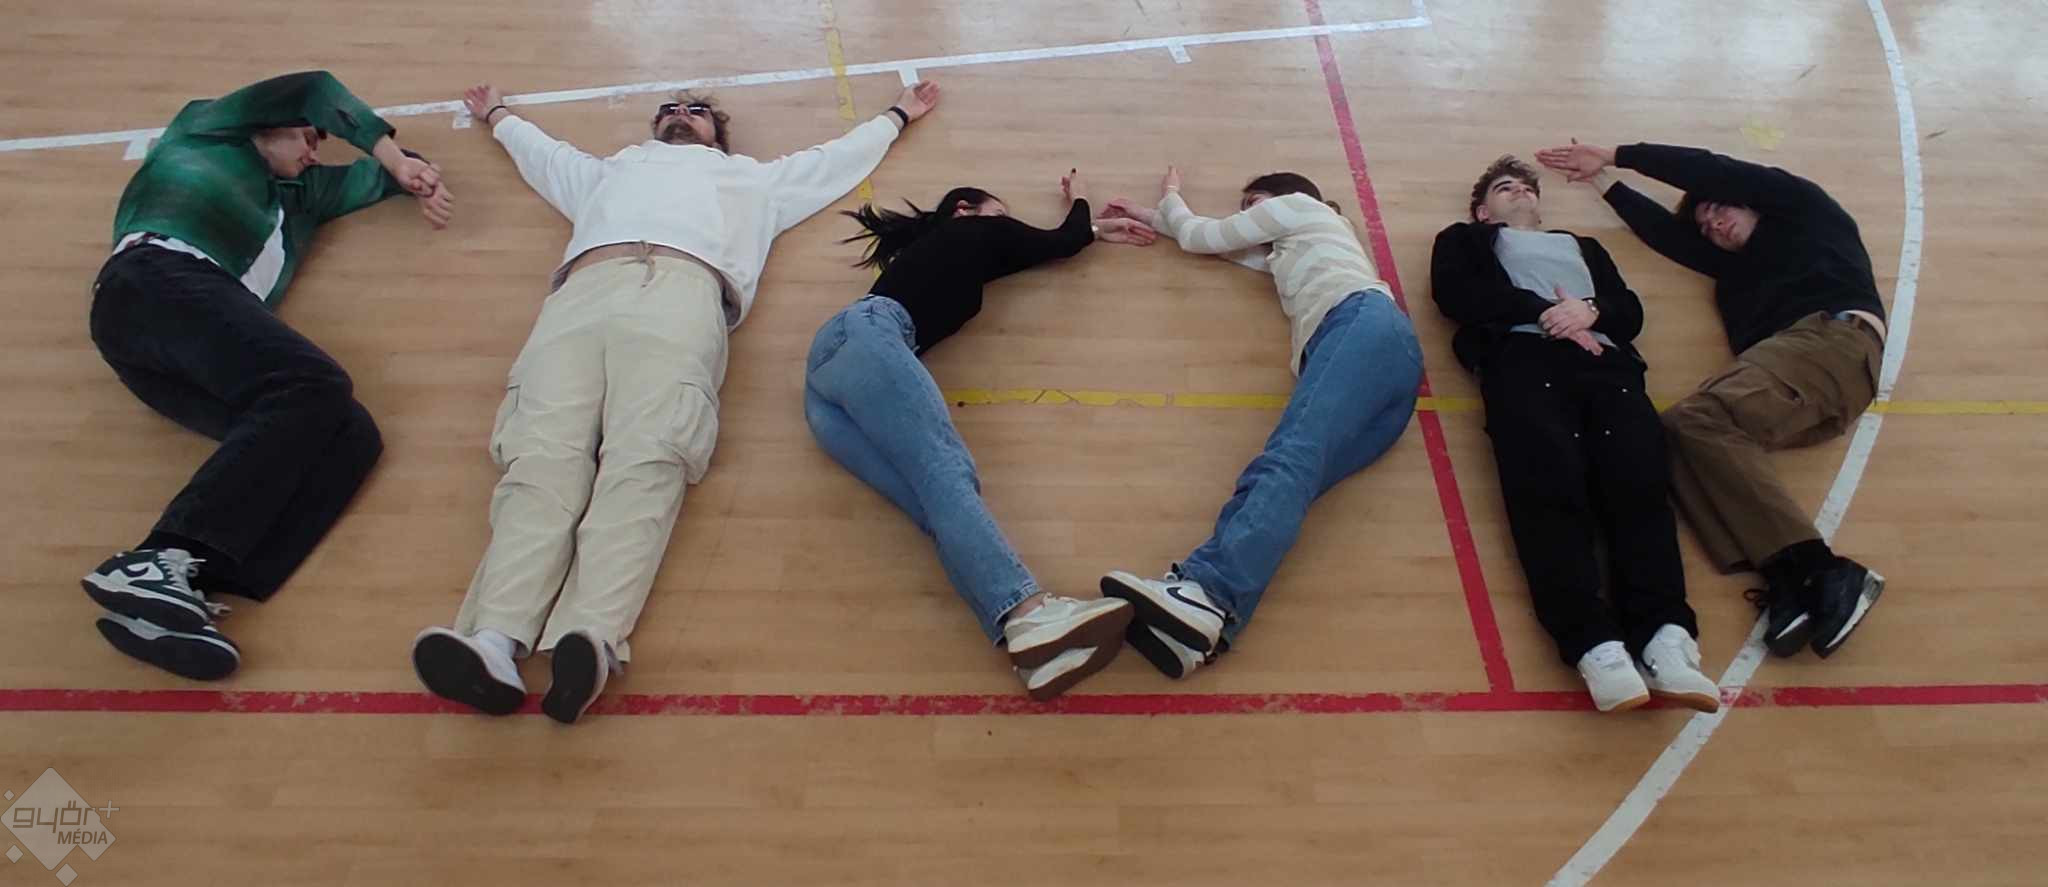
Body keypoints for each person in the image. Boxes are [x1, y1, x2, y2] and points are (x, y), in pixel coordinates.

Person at [412, 80, 940, 724]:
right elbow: (545, 156)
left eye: (695, 111)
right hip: (580, 297)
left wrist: (897, 114)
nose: (680, 115)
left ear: (718, 133)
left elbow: (835, 160)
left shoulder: (754, 181)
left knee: (648, 457)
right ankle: (494, 644)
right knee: (539, 460)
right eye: (670, 109)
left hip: (685, 297)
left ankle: (592, 635)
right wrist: (496, 115)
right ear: (655, 126)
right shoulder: (610, 172)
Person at [82, 71, 452, 681]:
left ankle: (178, 588)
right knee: (313, 383)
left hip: (174, 345)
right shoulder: (207, 130)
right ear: (268, 122)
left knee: (349, 434)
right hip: (153, 283)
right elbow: (314, 89)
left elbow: (378, 178)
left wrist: (415, 175)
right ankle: (157, 561)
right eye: (308, 137)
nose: (314, 152)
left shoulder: (299, 198)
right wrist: (389, 150)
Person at [805, 173, 1157, 700]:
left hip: (824, 390)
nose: (1006, 223)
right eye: (1001, 213)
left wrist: (1094, 231)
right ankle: (1032, 611)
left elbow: (1028, 252)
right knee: (945, 473)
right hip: (867, 337)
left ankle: (1025, 637)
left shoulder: (955, 248)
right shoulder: (973, 230)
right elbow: (1055, 243)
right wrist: (1080, 200)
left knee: (938, 503)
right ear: (967, 209)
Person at [1536, 140, 1886, 659]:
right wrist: (1603, 184)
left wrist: (1614, 156)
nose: (1715, 225)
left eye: (1720, 209)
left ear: (1749, 199)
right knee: (1676, 433)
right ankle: (1790, 576)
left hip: (1831, 341)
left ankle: (1824, 570)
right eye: (1705, 226)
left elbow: (1711, 169)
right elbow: (1666, 236)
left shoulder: (1803, 210)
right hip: (1804, 389)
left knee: (1701, 416)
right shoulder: (1737, 270)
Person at [1094, 169, 1422, 679]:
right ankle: (1208, 623)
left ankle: (1207, 590)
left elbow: (1202, 235)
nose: (1248, 215)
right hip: (1390, 371)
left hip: (1361, 327)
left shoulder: (1300, 206)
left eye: (1253, 204)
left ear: (1282, 197)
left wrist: (1172, 196)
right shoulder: (1298, 247)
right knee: (1287, 482)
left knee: (1286, 462)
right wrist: (1153, 218)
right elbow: (1223, 247)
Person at [1430, 156, 1718, 712]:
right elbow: (1458, 295)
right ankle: (1595, 646)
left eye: (1527, 187)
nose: (1520, 192)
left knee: (1639, 489)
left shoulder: (1583, 247)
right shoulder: (1465, 240)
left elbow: (1627, 311)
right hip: (1523, 362)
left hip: (1608, 368)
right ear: (1483, 210)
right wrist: (1550, 314)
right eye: (1505, 187)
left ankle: (1665, 640)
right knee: (1547, 492)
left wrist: (1588, 312)